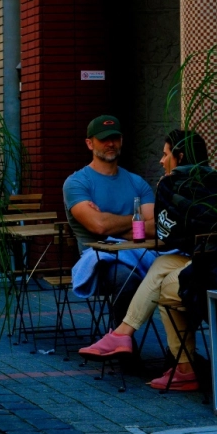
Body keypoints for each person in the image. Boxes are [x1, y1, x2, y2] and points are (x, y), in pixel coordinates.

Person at [78, 130, 211, 391]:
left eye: (165, 155)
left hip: (208, 267)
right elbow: (156, 229)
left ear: (179, 156)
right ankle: (124, 336)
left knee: (164, 287)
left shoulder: (176, 185)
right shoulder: (210, 181)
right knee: (161, 264)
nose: (161, 161)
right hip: (205, 259)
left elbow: (162, 232)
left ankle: (182, 366)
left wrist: (110, 223)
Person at [64, 115, 157, 324]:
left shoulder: (137, 182)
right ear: (90, 143)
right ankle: (120, 338)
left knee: (185, 275)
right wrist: (134, 223)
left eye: (114, 138)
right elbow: (98, 225)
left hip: (141, 255)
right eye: (103, 139)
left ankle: (178, 349)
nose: (110, 144)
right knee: (126, 277)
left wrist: (109, 225)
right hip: (99, 261)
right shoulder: (77, 182)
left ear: (121, 140)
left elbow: (155, 228)